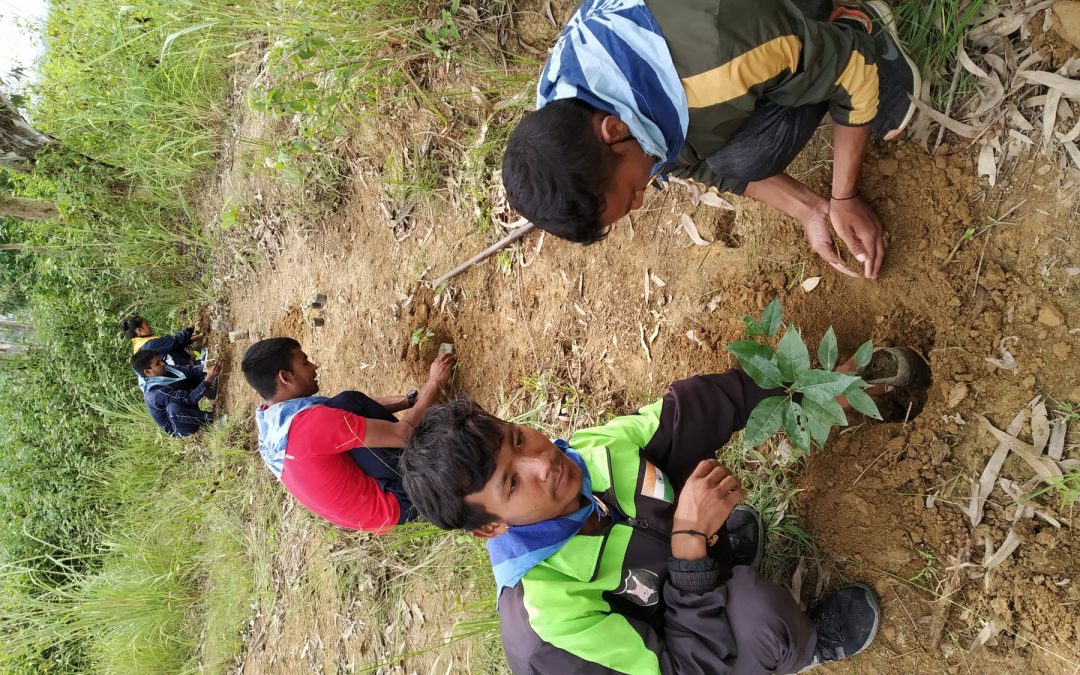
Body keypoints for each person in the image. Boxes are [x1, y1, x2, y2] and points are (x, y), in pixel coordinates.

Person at [401, 368, 883, 674]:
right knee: (761, 613)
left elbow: (688, 411)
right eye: (511, 483)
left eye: (518, 438)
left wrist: (800, 392)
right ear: (489, 527)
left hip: (676, 591)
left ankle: (718, 565)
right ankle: (803, 650)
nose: (543, 461)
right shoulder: (548, 625)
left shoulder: (589, 455)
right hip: (674, 656)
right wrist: (691, 546)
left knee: (691, 513)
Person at [501, 0, 922, 279]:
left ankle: (847, 20)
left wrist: (845, 196)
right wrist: (811, 209)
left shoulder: (716, 67)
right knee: (735, 160)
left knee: (823, 81)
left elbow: (854, 70)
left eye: (630, 194)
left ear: (613, 131)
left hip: (743, 25)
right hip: (723, 35)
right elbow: (686, 158)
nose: (641, 201)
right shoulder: (567, 100)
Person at [241, 337, 456, 533]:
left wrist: (411, 400)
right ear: (285, 377)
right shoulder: (309, 426)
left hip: (373, 513)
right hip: (404, 500)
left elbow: (345, 417)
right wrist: (435, 383)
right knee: (348, 401)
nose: (314, 366)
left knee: (345, 403)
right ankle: (434, 465)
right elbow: (404, 434)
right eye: (305, 362)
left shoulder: (274, 420)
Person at [132, 349, 220, 437]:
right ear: (147, 372)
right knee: (173, 408)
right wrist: (209, 379)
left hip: (186, 405)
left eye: (161, 360)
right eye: (157, 363)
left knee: (185, 378)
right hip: (181, 424)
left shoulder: (164, 370)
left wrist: (207, 369)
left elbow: (190, 371)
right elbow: (190, 399)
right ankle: (214, 419)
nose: (163, 363)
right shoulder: (156, 393)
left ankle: (210, 392)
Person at [122, 314, 203, 367]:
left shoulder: (140, 346)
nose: (150, 326)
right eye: (146, 325)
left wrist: (193, 339)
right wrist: (192, 326)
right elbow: (174, 341)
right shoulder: (149, 344)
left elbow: (172, 347)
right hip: (184, 368)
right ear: (139, 330)